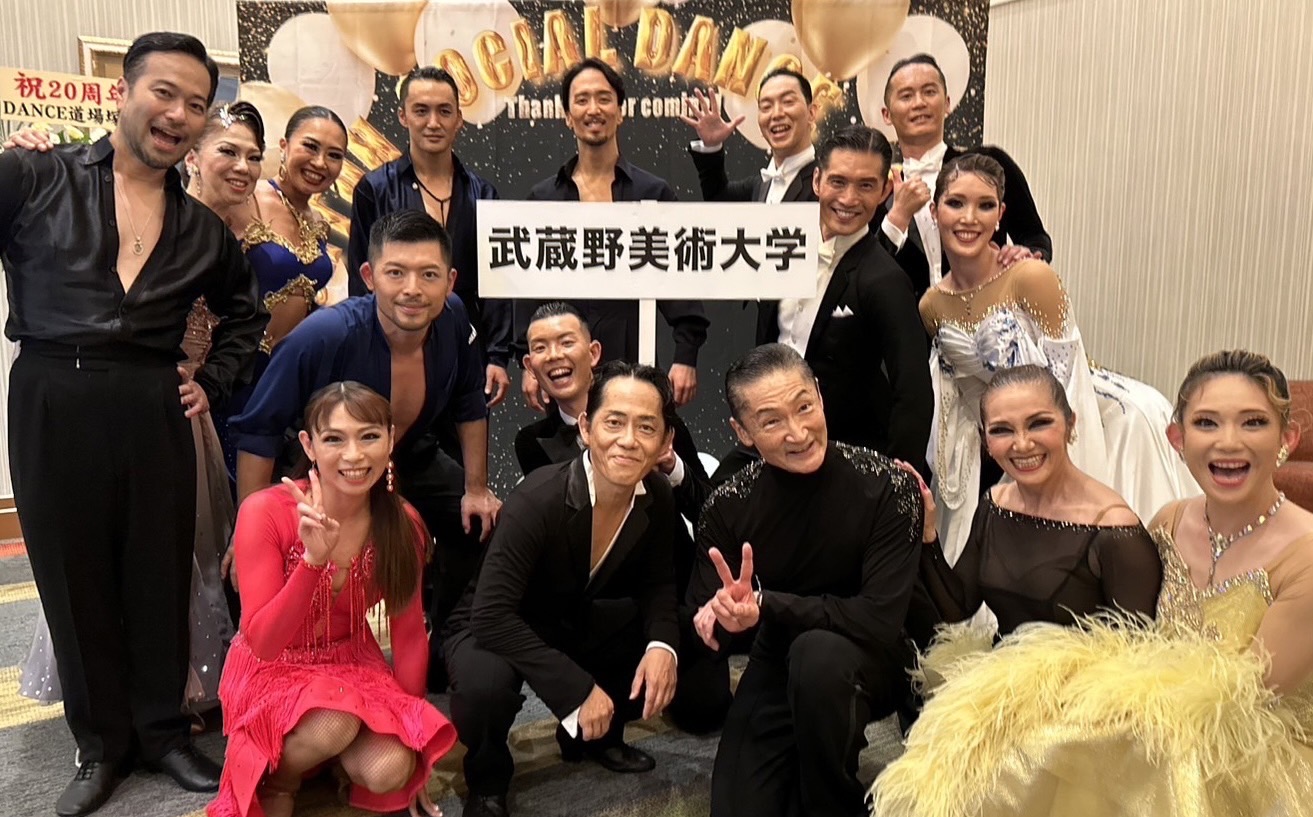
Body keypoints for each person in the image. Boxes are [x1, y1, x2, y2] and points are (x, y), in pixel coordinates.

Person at [0, 31, 266, 816]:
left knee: (158, 573)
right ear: (124, 92)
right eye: (164, 93)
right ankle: (100, 744)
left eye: (196, 103)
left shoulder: (203, 229)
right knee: (72, 577)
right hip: (53, 392)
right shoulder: (34, 176)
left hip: (153, 400)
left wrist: (209, 381)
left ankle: (163, 731)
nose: (178, 114)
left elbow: (246, 315)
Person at [873, 350, 1313, 816]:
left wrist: (1080, 712)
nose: (1228, 442)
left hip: (1238, 747)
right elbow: (1128, 639)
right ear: (1177, 438)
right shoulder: (1171, 520)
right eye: (1207, 423)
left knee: (1034, 758)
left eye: (1253, 423)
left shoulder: (1303, 552)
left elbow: (1247, 702)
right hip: (1141, 716)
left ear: (1287, 438)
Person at [229, 209, 501, 687]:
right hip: (322, 472)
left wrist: (476, 489)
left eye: (429, 275)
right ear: (370, 277)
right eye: (396, 273)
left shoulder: (455, 318)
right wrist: (247, 527)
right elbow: (259, 430)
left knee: (481, 523)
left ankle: (447, 649)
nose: (413, 289)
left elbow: (468, 401)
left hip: (409, 455)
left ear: (450, 282)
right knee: (279, 560)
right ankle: (286, 668)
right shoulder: (324, 335)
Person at [687, 343, 929, 817]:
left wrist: (767, 604)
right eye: (771, 421)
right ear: (742, 432)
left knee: (817, 656)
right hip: (779, 656)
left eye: (804, 407)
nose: (797, 432)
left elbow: (879, 620)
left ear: (819, 395)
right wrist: (728, 620)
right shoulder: (727, 505)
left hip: (874, 657)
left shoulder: (888, 485)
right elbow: (708, 621)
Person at [924, 153, 1196, 565]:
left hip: (1085, 408)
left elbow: (1068, 373)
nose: (969, 218)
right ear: (935, 210)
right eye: (955, 203)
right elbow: (959, 394)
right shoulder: (931, 305)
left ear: (1001, 215)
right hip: (1001, 426)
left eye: (985, 205)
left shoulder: (1031, 276)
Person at [444, 361, 682, 817]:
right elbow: (490, 615)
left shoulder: (657, 494)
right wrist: (576, 691)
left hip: (568, 614)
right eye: (614, 422)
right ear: (587, 428)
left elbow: (658, 583)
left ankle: (595, 737)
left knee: (642, 627)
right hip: (492, 621)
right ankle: (488, 779)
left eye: (646, 427)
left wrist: (662, 646)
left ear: (665, 441)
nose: (628, 440)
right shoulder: (538, 497)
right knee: (485, 690)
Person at [210, 382, 454, 817]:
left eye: (369, 436)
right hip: (272, 669)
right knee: (334, 723)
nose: (354, 455)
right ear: (309, 445)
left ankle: (324, 762)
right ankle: (281, 780)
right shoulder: (264, 511)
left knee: (391, 768)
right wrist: (313, 562)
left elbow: (410, 636)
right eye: (335, 439)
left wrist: (412, 733)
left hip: (351, 662)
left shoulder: (404, 524)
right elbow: (262, 642)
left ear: (390, 439)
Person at [916, 365, 1162, 637]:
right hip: (1001, 660)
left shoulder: (1115, 530)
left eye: (1039, 424)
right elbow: (957, 606)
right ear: (986, 440)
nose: (1022, 444)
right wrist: (928, 535)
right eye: (1001, 430)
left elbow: (1134, 651)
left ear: (1070, 424)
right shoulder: (995, 504)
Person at [520, 57, 709, 409]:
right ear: (567, 115)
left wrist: (686, 355)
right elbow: (527, 289)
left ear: (620, 111)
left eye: (604, 98)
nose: (594, 109)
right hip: (563, 370)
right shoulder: (543, 197)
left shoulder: (652, 193)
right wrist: (527, 362)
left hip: (634, 362)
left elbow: (679, 280)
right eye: (582, 100)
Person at [755, 125, 932, 473]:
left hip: (846, 459)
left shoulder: (886, 279)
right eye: (838, 182)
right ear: (817, 181)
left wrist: (898, 482)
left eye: (865, 185)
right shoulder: (780, 245)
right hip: (773, 446)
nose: (849, 199)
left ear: (885, 191)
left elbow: (913, 392)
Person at [515, 301, 711, 591]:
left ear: (593, 352)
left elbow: (710, 515)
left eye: (566, 342)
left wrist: (673, 468)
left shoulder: (653, 421)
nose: (555, 355)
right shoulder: (532, 443)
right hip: (587, 599)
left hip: (668, 589)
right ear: (530, 367)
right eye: (541, 347)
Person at [348, 66, 511, 407]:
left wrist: (497, 356)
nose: (433, 122)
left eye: (444, 111)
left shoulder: (483, 194)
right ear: (403, 116)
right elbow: (360, 282)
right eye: (421, 110)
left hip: (466, 350)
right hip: (391, 348)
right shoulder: (374, 189)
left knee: (466, 437)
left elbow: (496, 284)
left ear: (459, 119)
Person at [879, 52, 1052, 292]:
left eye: (929, 92)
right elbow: (869, 268)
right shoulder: (879, 187)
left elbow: (1035, 238)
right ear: (887, 114)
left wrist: (1027, 255)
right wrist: (897, 216)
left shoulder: (989, 163)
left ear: (947, 103)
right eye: (906, 96)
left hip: (986, 308)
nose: (919, 103)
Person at [681, 67, 818, 204]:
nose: (776, 114)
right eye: (766, 106)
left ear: (811, 113)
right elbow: (718, 199)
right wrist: (712, 147)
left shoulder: (824, 183)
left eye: (788, 102)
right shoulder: (759, 186)